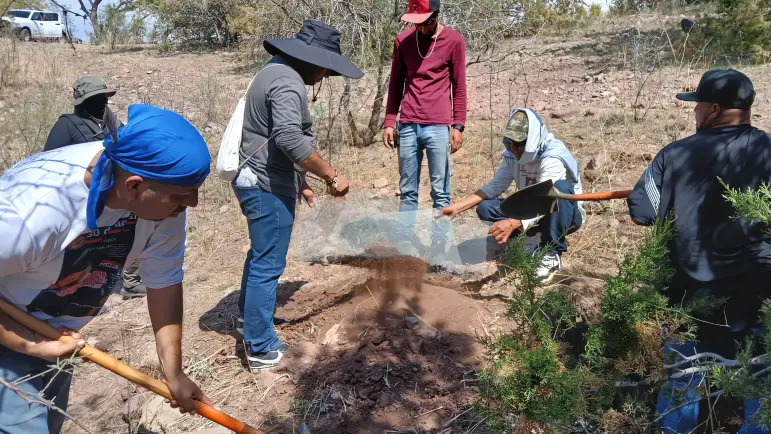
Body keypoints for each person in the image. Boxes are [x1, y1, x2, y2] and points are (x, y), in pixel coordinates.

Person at [0, 104, 212, 433]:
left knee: (48, 424)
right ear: (134, 186)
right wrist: (28, 343)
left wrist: (174, 372)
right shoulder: (27, 217)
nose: (193, 203)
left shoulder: (164, 201)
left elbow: (164, 282)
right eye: (183, 195)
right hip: (11, 332)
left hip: (60, 338)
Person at [627, 69, 771, 433]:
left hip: (687, 295)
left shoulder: (674, 155)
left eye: (698, 105)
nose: (695, 112)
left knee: (683, 380)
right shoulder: (769, 151)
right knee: (761, 383)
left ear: (714, 109)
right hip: (758, 294)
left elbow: (643, 211)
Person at [233, 20, 363, 372]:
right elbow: (290, 139)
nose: (323, 75)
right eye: (324, 68)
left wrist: (302, 181)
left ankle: (250, 322)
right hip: (265, 184)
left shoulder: (273, 71)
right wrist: (332, 175)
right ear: (310, 59)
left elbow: (273, 136)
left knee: (261, 254)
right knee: (269, 262)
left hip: (259, 176)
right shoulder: (288, 81)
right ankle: (261, 348)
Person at [438, 108, 584, 283]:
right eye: (510, 141)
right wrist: (458, 206)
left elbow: (545, 200)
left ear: (532, 139)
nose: (513, 147)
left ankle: (551, 253)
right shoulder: (511, 155)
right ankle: (530, 241)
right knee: (485, 208)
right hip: (530, 207)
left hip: (563, 214)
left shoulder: (552, 157)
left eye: (519, 143)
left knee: (559, 189)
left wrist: (512, 223)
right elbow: (495, 186)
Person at [44, 76, 144, 300]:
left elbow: (128, 144)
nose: (102, 102)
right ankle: (77, 294)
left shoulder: (110, 120)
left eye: (103, 97)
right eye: (96, 98)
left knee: (128, 233)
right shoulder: (67, 124)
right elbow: (50, 162)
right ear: (83, 102)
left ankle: (131, 282)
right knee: (83, 248)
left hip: (115, 193)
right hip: (81, 198)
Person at [383, 0, 467, 257]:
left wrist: (458, 125)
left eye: (425, 23)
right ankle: (404, 247)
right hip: (408, 123)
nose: (420, 28)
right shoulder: (403, 41)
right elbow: (396, 82)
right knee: (408, 190)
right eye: (416, 23)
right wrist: (390, 121)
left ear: (436, 16)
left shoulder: (454, 41)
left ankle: (440, 249)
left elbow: (459, 86)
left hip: (438, 126)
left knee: (440, 191)